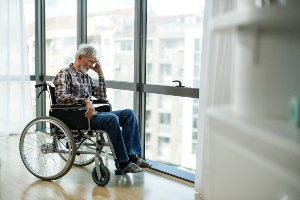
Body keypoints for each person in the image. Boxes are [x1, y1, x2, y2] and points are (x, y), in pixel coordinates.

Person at [53, 43, 151, 173]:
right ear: (80, 58)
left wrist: (100, 73)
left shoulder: (86, 77)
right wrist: (85, 101)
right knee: (111, 119)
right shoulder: (65, 73)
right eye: (90, 61)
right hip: (76, 116)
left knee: (129, 114)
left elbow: (102, 96)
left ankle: (132, 157)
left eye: (94, 62)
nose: (92, 65)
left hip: (90, 114)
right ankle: (123, 162)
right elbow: (61, 97)